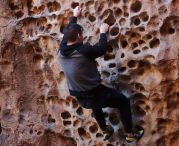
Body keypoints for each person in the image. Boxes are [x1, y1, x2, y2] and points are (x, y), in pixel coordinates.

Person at [57, 6, 144, 143]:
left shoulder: (61, 50)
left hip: (80, 97)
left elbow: (70, 28)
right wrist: (103, 33)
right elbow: (101, 49)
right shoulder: (83, 50)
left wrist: (75, 15)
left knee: (94, 106)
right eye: (82, 33)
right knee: (123, 102)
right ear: (79, 36)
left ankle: (105, 131)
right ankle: (130, 134)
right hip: (96, 93)